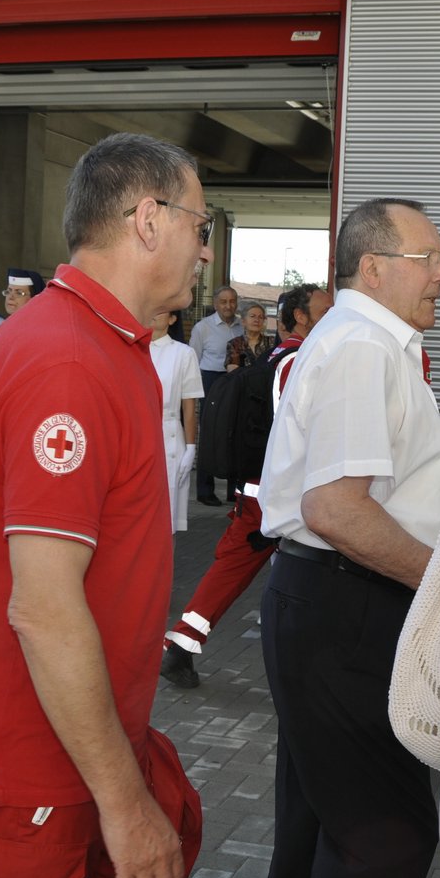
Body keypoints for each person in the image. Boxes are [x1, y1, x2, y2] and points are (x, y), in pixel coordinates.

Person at [0, 132, 211, 878]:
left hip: (74, 756)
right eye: (200, 224)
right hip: (35, 773)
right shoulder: (67, 363)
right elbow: (46, 610)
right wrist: (126, 805)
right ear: (149, 220)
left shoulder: (103, 343)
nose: (204, 249)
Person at [258, 198, 440, 878]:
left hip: (336, 600)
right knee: (389, 838)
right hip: (348, 603)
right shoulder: (362, 348)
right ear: (373, 267)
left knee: (318, 818)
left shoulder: (369, 342)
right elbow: (338, 510)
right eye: (428, 257)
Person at [160, 284, 332, 689]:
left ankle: (182, 647)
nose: (335, 316)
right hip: (285, 492)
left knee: (233, 570)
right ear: (301, 317)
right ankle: (309, 668)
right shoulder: (298, 360)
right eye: (326, 311)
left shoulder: (277, 357)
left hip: (260, 488)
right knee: (312, 575)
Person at [149, 309, 203, 533]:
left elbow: (188, 406)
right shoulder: (131, 347)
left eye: (162, 312)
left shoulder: (183, 353)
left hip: (169, 434)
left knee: (166, 516)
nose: (154, 314)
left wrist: (190, 447)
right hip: (137, 432)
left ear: (172, 320)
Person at [189, 285, 241, 505]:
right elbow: (193, 359)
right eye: (223, 302)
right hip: (211, 381)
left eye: (232, 301)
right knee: (209, 435)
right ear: (215, 304)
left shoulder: (242, 326)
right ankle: (204, 491)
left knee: (235, 434)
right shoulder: (203, 328)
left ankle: (233, 491)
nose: (228, 306)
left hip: (236, 380)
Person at [224, 302, 275, 371]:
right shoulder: (235, 344)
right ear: (243, 321)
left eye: (260, 317)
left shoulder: (272, 342)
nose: (257, 320)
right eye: (252, 316)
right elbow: (233, 373)